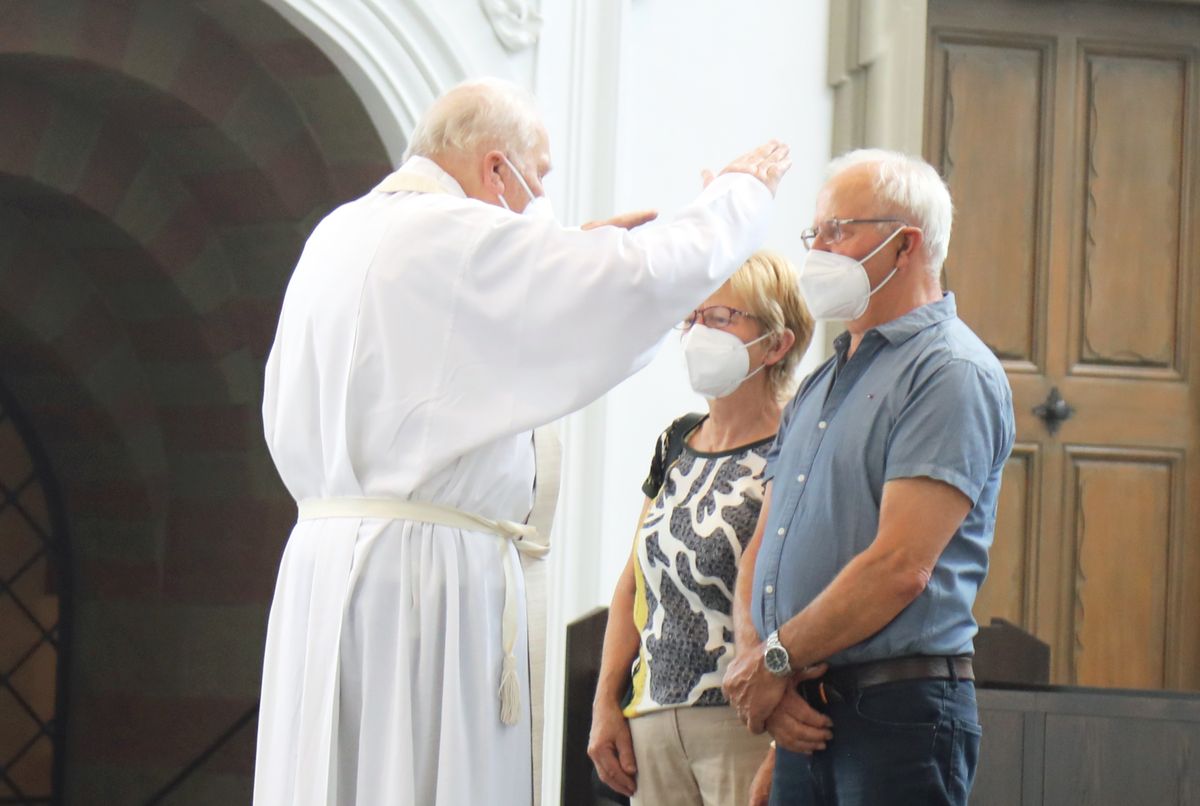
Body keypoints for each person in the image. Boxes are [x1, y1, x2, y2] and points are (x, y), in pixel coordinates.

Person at [254, 76, 792, 806]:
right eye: (537, 178)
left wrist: (565, 256)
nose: (540, 202)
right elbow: (636, 279)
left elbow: (465, 331)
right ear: (496, 169)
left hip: (324, 572)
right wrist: (739, 194)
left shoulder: (341, 233)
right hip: (425, 579)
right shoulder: (455, 234)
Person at [723, 148, 1015, 806]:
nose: (819, 249)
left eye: (839, 230)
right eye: (816, 232)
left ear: (905, 244)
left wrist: (773, 660)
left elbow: (899, 565)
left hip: (897, 712)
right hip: (806, 709)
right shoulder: (823, 381)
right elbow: (764, 545)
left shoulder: (949, 372)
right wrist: (762, 666)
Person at [588, 251, 813, 806]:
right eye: (690, 318)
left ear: (777, 342)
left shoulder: (800, 442)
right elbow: (632, 584)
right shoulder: (675, 442)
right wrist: (605, 704)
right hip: (652, 721)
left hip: (745, 720)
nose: (695, 332)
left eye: (719, 318)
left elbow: (806, 589)